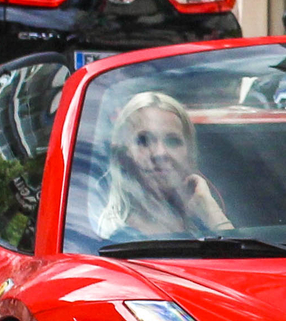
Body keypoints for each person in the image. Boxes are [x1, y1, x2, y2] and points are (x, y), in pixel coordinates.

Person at [95, 90, 233, 238]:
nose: (160, 153)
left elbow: (241, 258)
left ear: (189, 154)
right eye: (143, 141)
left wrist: (211, 211)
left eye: (173, 141)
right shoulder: (105, 240)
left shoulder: (204, 226)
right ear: (122, 155)